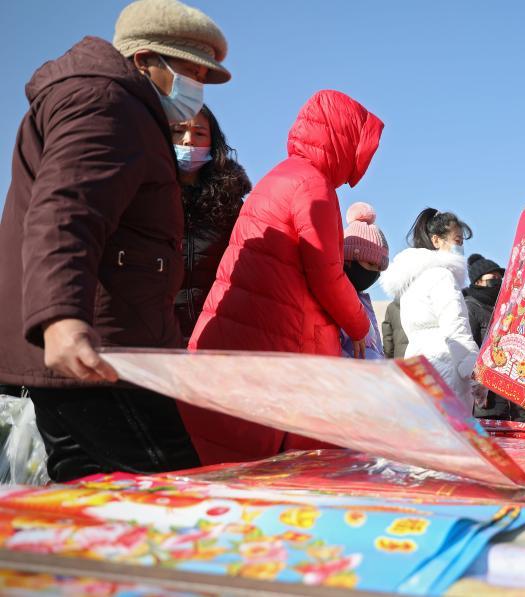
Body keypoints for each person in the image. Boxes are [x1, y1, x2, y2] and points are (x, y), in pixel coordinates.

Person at [0, 0, 230, 482]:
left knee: (97, 497)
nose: (199, 90)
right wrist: (61, 318)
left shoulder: (126, 109)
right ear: (146, 60)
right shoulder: (108, 104)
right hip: (101, 356)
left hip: (108, 350)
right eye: (191, 72)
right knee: (171, 498)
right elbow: (67, 209)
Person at [183, 90, 384, 465]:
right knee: (290, 474)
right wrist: (359, 326)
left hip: (243, 337)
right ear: (342, 138)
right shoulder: (313, 185)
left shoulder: (281, 176)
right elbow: (326, 274)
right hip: (283, 345)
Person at [381, 209, 481, 407]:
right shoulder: (442, 276)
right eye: (458, 241)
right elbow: (457, 329)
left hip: (416, 364)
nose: (460, 248)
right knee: (451, 433)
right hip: (445, 366)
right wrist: (475, 372)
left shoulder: (411, 282)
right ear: (436, 240)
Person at [172, 105, 251, 346]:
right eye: (179, 131)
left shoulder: (230, 202)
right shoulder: (146, 194)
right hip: (157, 338)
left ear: (212, 142)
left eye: (199, 133)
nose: (188, 141)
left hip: (215, 338)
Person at [465, 254, 525, 421]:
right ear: (478, 282)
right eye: (493, 277)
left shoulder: (507, 307)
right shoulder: (470, 306)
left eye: (500, 277)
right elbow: (469, 349)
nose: (498, 281)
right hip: (487, 395)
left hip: (514, 388)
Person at [339, 203, 390, 360]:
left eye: (378, 269)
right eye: (369, 264)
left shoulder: (363, 301)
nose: (373, 273)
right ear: (348, 260)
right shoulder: (336, 299)